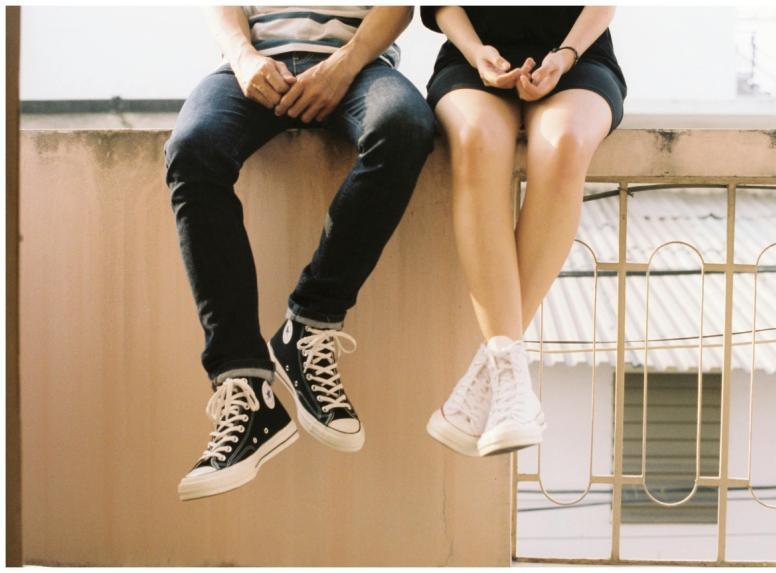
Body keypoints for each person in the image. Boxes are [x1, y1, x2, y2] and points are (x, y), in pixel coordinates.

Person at [164, 6, 435, 501]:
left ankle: (308, 323)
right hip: (251, 66)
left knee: (405, 126)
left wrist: (345, 63)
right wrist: (244, 58)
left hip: (359, 68)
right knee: (192, 147)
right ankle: (246, 386)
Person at [421, 6, 627, 457]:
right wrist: (478, 54)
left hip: (580, 58)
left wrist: (565, 56)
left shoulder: (575, 54)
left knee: (565, 144)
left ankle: (494, 374)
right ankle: (510, 383)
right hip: (473, 61)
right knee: (476, 138)